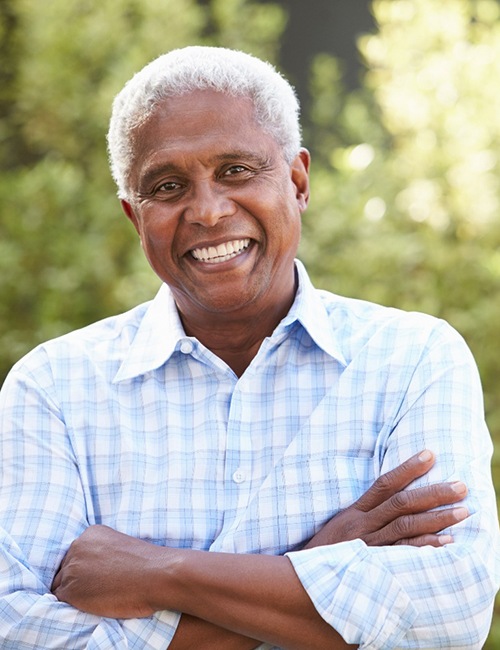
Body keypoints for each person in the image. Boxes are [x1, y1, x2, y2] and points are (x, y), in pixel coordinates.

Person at [0, 46, 498, 649]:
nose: (208, 211)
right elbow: (19, 632)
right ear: (136, 218)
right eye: (168, 185)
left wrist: (160, 573)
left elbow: (450, 616)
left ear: (297, 181)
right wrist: (321, 562)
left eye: (236, 170)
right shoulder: (52, 388)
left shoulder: (413, 359)